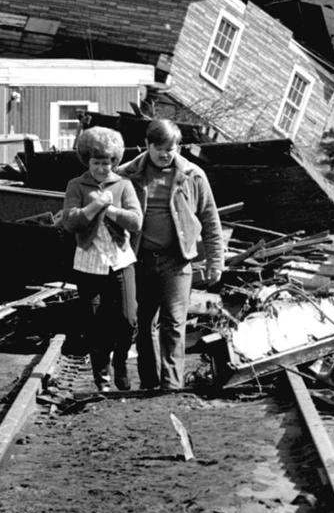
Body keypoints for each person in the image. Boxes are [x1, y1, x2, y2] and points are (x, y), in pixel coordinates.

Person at [118, 119, 224, 390]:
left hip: (176, 261)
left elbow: (210, 221)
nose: (166, 154)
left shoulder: (193, 175)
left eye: (172, 148)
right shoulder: (127, 175)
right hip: (139, 259)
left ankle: (172, 385)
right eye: (160, 148)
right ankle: (150, 382)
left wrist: (216, 261)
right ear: (147, 145)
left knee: (174, 323)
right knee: (143, 324)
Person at [62, 127, 142, 393]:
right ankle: (102, 379)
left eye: (106, 163)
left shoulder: (124, 185)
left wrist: (111, 209)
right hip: (89, 264)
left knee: (128, 319)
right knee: (95, 323)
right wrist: (93, 206)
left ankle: (120, 362)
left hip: (120, 261)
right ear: (88, 161)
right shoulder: (76, 185)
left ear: (114, 162)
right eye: (96, 162)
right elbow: (70, 222)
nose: (101, 168)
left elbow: (136, 221)